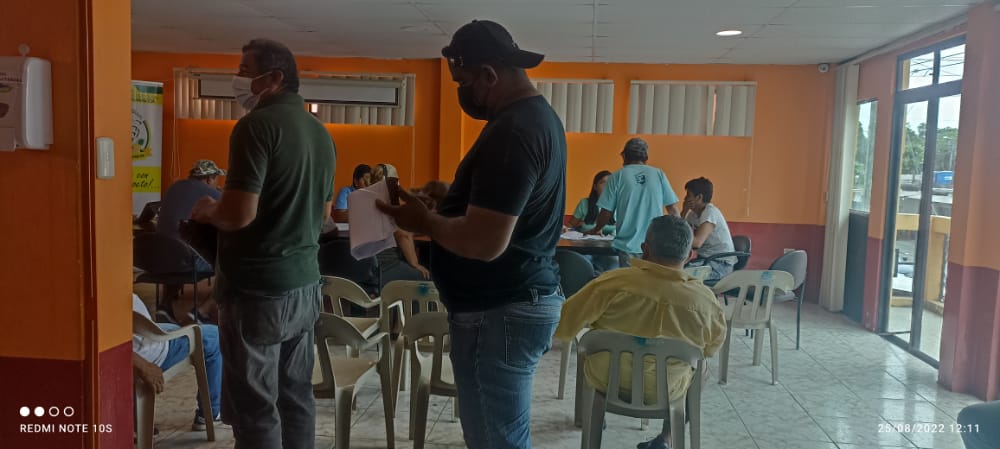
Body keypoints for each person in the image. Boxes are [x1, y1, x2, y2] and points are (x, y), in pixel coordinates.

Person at [377, 19, 566, 449]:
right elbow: (512, 208)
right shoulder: (537, 118)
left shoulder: (513, 132)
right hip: (514, 299)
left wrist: (425, 222)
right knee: (498, 435)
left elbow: (485, 242)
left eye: (463, 82)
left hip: (499, 308)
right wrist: (451, 198)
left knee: (494, 439)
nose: (462, 93)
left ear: (489, 74)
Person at [190, 38, 335, 449]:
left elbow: (239, 214)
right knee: (296, 398)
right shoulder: (320, 132)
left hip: (257, 291)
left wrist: (208, 210)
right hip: (305, 286)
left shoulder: (255, 126)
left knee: (255, 410)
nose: (238, 80)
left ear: (274, 78)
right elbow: (324, 215)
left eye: (244, 71)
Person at [555, 215, 727, 449]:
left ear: (645, 249)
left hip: (608, 382)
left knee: (589, 347)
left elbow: (564, 324)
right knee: (701, 367)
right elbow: (711, 347)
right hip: (669, 388)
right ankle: (666, 439)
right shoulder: (705, 301)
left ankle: (593, 422)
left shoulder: (610, 283)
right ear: (689, 256)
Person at [131, 294, 223, 430]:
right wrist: (143, 366)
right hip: (150, 351)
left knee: (172, 327)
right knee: (214, 336)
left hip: (139, 338)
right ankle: (210, 414)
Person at [587, 137, 681, 268]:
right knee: (652, 280)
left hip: (627, 246)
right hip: (654, 245)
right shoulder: (659, 174)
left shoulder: (617, 176)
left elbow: (606, 212)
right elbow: (673, 211)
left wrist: (596, 229)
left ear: (624, 155)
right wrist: (679, 238)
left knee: (631, 280)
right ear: (646, 157)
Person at [154, 159, 226, 324]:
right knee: (229, 266)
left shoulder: (174, 187)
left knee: (177, 250)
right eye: (217, 179)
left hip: (159, 258)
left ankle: (164, 305)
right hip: (188, 261)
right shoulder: (212, 194)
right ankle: (202, 312)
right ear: (210, 179)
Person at [681, 177, 736, 281]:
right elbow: (681, 232)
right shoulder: (693, 215)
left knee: (683, 276)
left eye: (688, 195)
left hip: (720, 264)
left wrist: (677, 240)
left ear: (699, 197)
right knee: (677, 272)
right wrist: (683, 212)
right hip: (705, 261)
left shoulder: (710, 213)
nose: (685, 199)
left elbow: (697, 243)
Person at [568, 170, 619, 273]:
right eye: (603, 182)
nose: (607, 186)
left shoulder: (618, 205)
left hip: (608, 251)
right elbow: (569, 226)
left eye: (610, 183)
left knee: (614, 264)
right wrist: (583, 230)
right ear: (595, 187)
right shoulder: (584, 203)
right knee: (582, 264)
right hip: (585, 249)